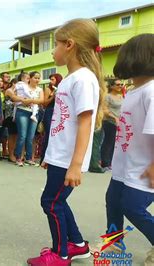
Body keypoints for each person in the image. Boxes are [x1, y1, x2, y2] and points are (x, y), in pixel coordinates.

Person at [27, 18, 105, 265]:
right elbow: (62, 123)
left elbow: (84, 124)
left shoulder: (83, 79)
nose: (53, 51)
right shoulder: (71, 79)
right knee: (57, 200)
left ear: (69, 45)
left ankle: (60, 254)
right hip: (60, 157)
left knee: (50, 201)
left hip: (69, 159)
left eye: (56, 45)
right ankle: (78, 244)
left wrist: (75, 164)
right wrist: (49, 156)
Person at [104, 33, 154, 265]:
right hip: (125, 164)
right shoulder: (134, 91)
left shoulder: (151, 91)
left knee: (132, 207)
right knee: (113, 201)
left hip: (145, 167)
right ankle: (114, 242)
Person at [14, 71, 44, 166]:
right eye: (35, 77)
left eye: (39, 78)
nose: (37, 80)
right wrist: (22, 100)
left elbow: (41, 100)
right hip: (22, 111)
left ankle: (29, 158)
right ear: (30, 78)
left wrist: (30, 100)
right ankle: (18, 157)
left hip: (34, 113)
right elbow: (13, 96)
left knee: (31, 137)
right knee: (22, 135)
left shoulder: (39, 89)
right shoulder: (22, 86)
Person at [100, 79, 123, 171]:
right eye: (118, 84)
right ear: (112, 86)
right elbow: (104, 110)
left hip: (119, 123)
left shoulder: (121, 96)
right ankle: (105, 163)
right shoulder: (107, 97)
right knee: (108, 142)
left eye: (121, 84)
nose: (120, 86)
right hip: (109, 122)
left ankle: (112, 162)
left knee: (115, 143)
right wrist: (115, 118)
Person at [40, 73, 63, 163]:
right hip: (49, 112)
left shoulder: (62, 88)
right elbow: (45, 103)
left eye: (53, 79)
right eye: (50, 79)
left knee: (57, 135)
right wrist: (53, 96)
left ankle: (54, 158)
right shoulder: (48, 89)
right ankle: (44, 158)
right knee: (49, 134)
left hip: (59, 112)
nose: (51, 81)